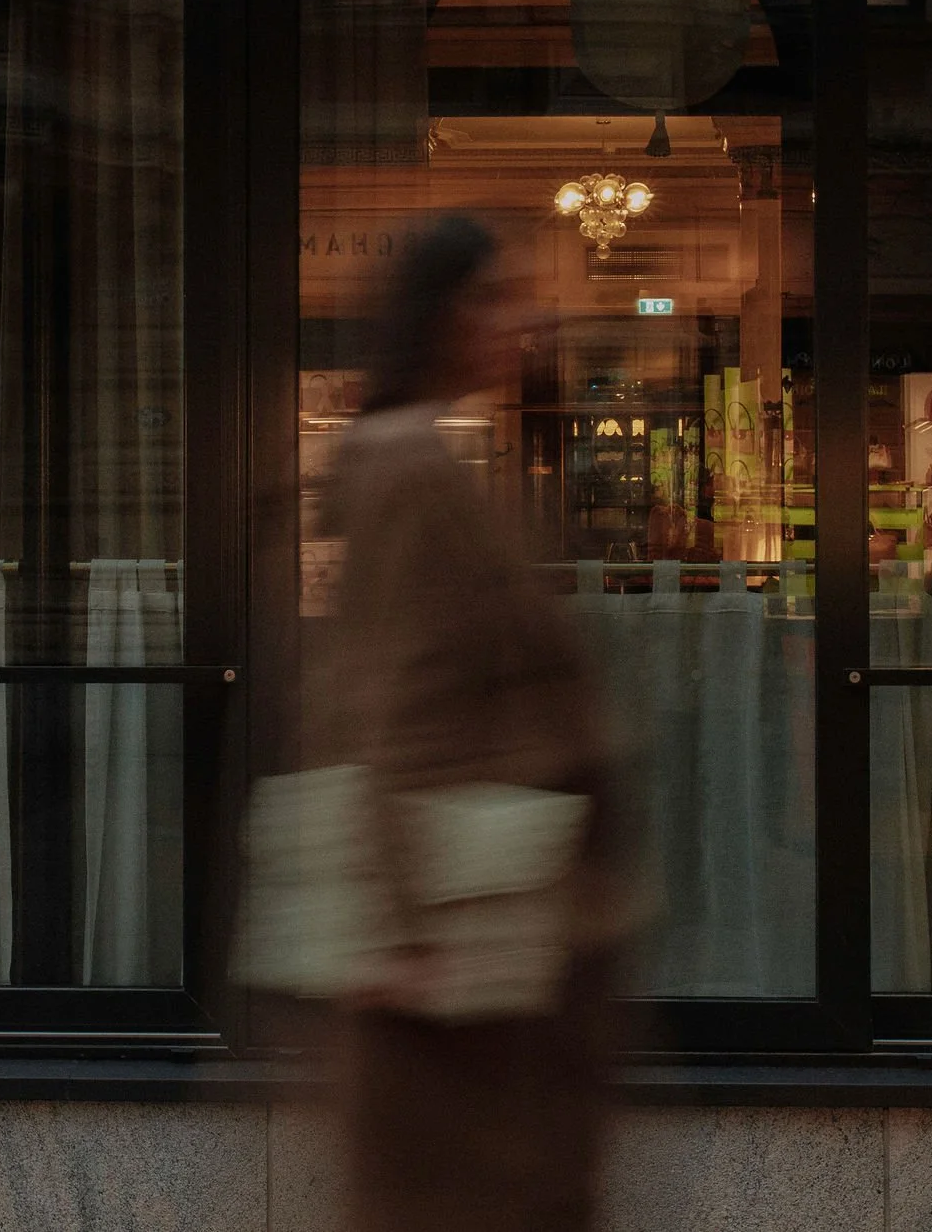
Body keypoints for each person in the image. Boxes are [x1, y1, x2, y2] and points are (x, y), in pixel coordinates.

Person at [319, 216, 631, 1232]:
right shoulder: (409, 469)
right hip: (467, 929)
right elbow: (393, 703)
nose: (527, 321)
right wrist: (406, 932)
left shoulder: (426, 459)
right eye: (499, 298)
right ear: (444, 317)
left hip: (500, 911)